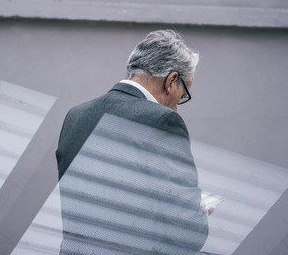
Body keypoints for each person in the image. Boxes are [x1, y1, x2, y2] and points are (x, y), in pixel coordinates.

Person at [56, 30, 211, 255]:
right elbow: (186, 233)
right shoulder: (163, 120)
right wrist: (198, 212)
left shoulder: (76, 116)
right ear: (171, 80)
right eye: (183, 93)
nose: (177, 105)